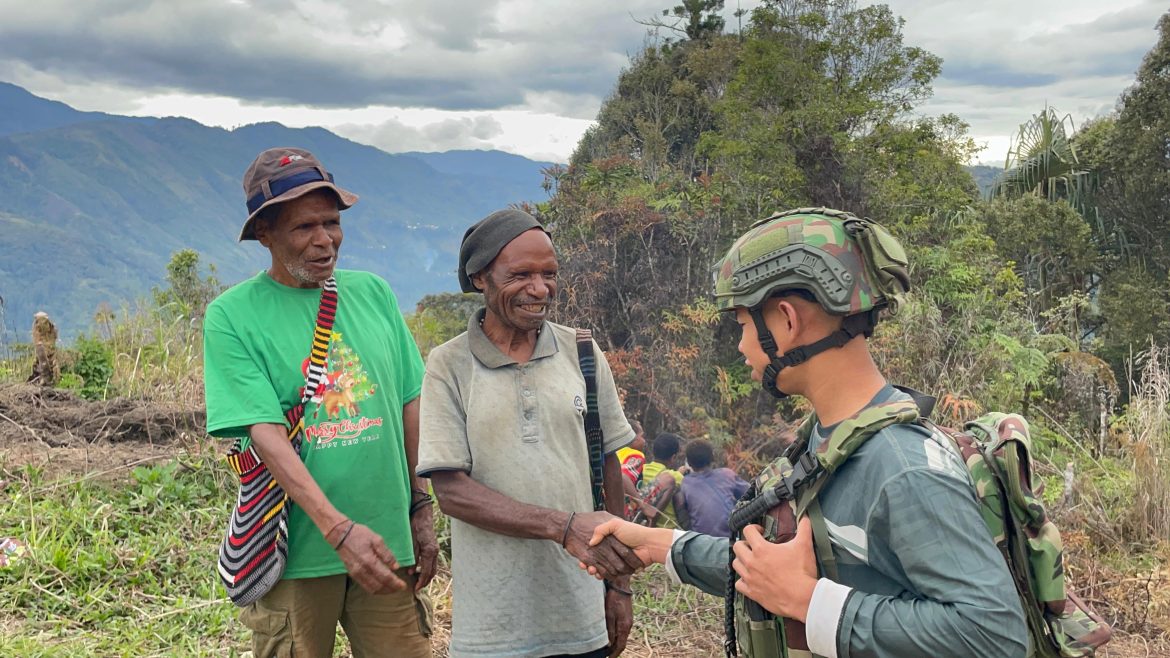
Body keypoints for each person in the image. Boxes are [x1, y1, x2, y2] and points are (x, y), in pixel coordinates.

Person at [584, 208, 1026, 657]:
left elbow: (995, 635)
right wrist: (657, 544)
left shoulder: (901, 467)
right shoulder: (828, 440)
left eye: (743, 326)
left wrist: (807, 601)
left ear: (788, 320)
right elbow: (772, 568)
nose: (741, 346)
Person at [203, 147, 436, 658]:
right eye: (304, 227)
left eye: (331, 222)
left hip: (387, 543)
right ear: (265, 233)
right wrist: (338, 529)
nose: (325, 239)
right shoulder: (232, 316)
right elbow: (265, 433)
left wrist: (421, 507)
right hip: (297, 556)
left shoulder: (373, 294)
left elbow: (409, 402)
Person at [416, 208, 642, 658]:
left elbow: (607, 465)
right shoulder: (449, 364)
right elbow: (452, 493)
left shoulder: (582, 351)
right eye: (520, 275)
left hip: (580, 615)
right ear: (480, 278)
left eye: (549, 274)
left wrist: (619, 586)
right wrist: (563, 527)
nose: (540, 289)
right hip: (492, 626)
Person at [679, 440, 748, 538]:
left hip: (703, 541)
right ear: (712, 458)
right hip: (734, 538)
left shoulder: (685, 483)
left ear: (689, 463)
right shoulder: (727, 474)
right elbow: (752, 492)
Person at [637, 433, 688, 529]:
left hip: (640, 525)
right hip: (668, 529)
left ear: (653, 452)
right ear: (673, 457)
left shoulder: (641, 469)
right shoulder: (675, 477)